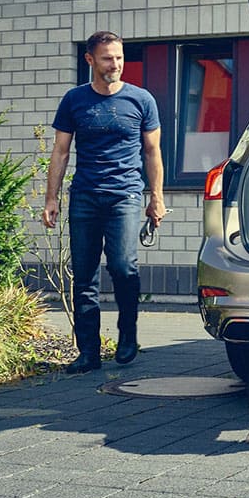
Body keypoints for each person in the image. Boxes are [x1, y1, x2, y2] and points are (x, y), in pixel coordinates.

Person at [43, 31, 166, 373]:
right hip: (84, 196)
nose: (115, 64)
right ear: (90, 60)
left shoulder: (141, 100)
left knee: (123, 266)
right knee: (83, 276)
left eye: (119, 57)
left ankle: (128, 335)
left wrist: (156, 197)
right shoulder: (74, 100)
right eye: (108, 58)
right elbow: (61, 151)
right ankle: (88, 353)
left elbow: (152, 151)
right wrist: (51, 198)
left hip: (125, 195)